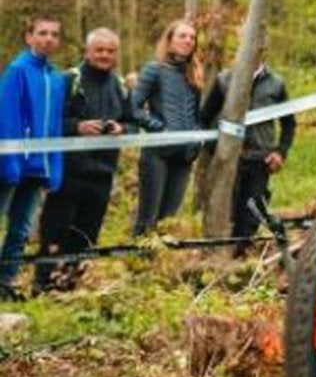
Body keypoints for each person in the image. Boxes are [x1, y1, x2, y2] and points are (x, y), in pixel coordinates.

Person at [34, 28, 141, 292]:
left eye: (110, 51)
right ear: (87, 51)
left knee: (86, 234)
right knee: (56, 229)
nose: (104, 55)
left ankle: (70, 285)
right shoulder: (70, 79)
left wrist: (121, 129)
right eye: (99, 50)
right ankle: (43, 283)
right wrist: (77, 127)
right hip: (69, 171)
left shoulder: (120, 85)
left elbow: (132, 123)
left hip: (103, 173)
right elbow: (47, 121)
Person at [200, 53, 296, 253]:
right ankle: (217, 256)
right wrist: (215, 151)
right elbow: (204, 118)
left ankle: (240, 257)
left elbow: (289, 123)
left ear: (264, 49)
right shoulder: (224, 79)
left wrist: (280, 152)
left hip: (260, 158)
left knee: (251, 211)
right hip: (229, 158)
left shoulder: (276, 84)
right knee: (227, 209)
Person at [0, 15, 65, 299]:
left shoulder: (56, 78)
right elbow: (7, 116)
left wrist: (56, 165)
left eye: (53, 34)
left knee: (22, 228)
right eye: (42, 33)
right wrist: (10, 160)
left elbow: (56, 126)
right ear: (29, 37)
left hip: (38, 167)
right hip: (12, 164)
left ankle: (6, 282)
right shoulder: (17, 70)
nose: (48, 38)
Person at [130, 18, 204, 236]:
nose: (188, 40)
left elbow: (198, 115)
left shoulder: (195, 75)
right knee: (148, 220)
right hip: (157, 154)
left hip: (185, 156)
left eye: (192, 37)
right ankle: (138, 264)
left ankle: (159, 264)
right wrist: (159, 130)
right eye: (182, 36)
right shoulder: (154, 69)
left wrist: (197, 137)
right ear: (170, 41)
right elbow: (132, 107)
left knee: (168, 222)